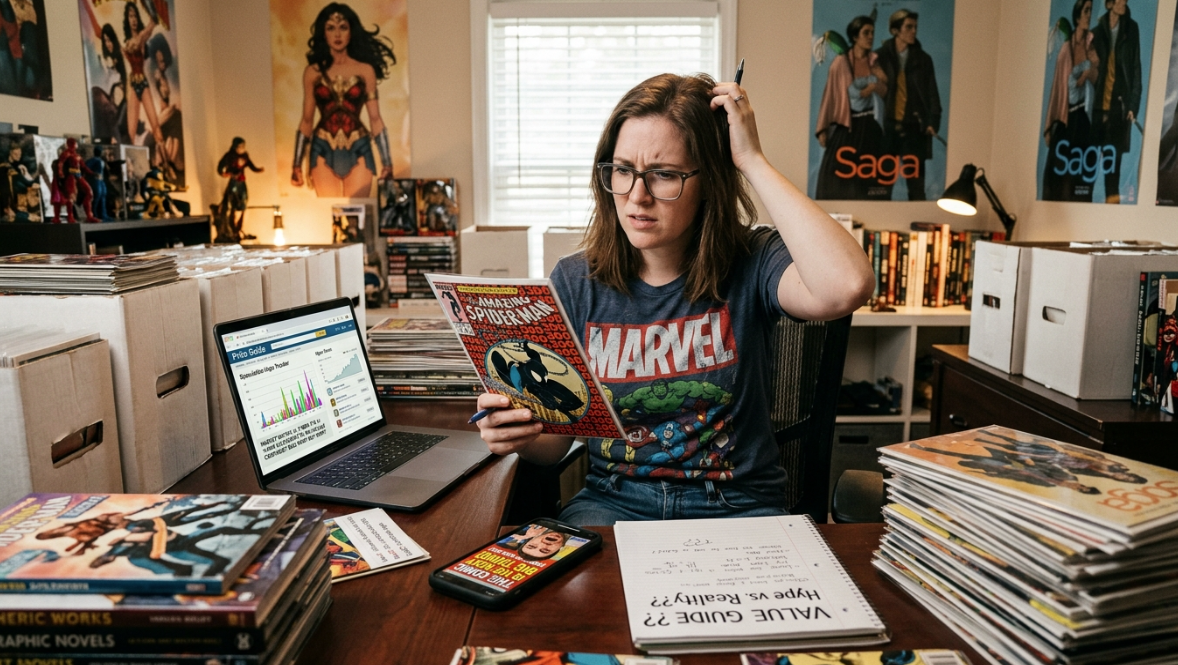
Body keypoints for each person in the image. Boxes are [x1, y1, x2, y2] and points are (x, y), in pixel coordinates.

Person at [475, 73, 874, 526]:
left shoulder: (754, 261)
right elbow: (552, 449)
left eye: (663, 175)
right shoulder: (575, 280)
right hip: (614, 503)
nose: (636, 197)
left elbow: (847, 286)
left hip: (737, 507)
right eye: (623, 171)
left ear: (710, 181)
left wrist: (751, 159)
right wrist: (518, 434)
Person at [291, 3, 396, 198]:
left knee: (360, 214)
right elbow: (307, 119)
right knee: (328, 213)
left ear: (351, 32)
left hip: (358, 145)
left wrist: (387, 163)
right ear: (324, 33)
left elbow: (375, 119)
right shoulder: (312, 72)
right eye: (331, 28)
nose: (337, 34)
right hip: (322, 145)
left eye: (343, 27)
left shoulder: (365, 71)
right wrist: (296, 164)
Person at [814, 14, 888, 200]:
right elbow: (830, 95)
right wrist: (822, 128)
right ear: (855, 36)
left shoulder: (874, 61)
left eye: (872, 32)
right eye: (865, 32)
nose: (870, 36)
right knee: (836, 173)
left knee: (868, 174)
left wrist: (877, 84)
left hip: (869, 124)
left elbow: (884, 90)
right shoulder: (841, 62)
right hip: (846, 126)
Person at [875, 9, 942, 201]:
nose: (913, 31)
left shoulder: (923, 60)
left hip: (915, 127)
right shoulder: (880, 57)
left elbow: (932, 95)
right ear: (895, 30)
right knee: (882, 185)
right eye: (908, 27)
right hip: (887, 127)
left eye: (915, 27)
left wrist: (933, 122)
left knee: (916, 187)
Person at [1041, 0, 1099, 201]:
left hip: (1085, 121)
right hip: (1068, 120)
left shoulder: (1092, 45)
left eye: (1090, 11)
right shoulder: (1066, 49)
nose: (1088, 15)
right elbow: (1058, 88)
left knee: (1081, 185)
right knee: (1059, 183)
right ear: (1077, 16)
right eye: (1085, 11)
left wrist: (1093, 67)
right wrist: (1051, 123)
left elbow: (1096, 79)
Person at [1091, 0, 1140, 204]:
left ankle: (1112, 227)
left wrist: (1132, 105)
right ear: (1109, 3)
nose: (1124, 2)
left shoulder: (1131, 28)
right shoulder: (1096, 32)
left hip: (1118, 108)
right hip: (1095, 108)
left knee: (1113, 173)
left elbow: (1136, 69)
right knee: (1088, 168)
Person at [121, 0, 165, 150]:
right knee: (130, 134)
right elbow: (135, 43)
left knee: (156, 126)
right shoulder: (128, 41)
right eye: (130, 16)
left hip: (143, 82)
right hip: (133, 84)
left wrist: (153, 21)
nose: (133, 19)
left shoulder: (142, 39)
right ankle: (130, 168)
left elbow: (145, 36)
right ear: (127, 20)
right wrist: (152, 23)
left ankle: (166, 164)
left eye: (135, 16)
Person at [215, 137, 262, 242]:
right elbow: (220, 167)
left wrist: (257, 169)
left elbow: (250, 164)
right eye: (240, 146)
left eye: (243, 146)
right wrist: (226, 174)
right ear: (235, 146)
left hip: (242, 181)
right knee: (233, 204)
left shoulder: (245, 156)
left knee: (243, 203)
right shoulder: (229, 156)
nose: (242, 148)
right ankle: (232, 229)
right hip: (234, 182)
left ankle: (239, 229)